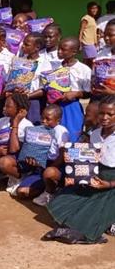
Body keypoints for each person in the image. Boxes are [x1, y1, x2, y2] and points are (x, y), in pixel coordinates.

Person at [45, 95, 115, 244]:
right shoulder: (95, 134)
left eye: (110, 114)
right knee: (63, 201)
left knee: (94, 206)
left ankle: (86, 231)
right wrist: (79, 173)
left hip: (111, 184)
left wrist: (109, 184)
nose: (105, 117)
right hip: (96, 178)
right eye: (101, 113)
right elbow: (90, 160)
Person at [0, 104, 68, 199]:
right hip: (39, 167)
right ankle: (38, 184)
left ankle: (51, 191)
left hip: (53, 166)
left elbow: (63, 155)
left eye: (48, 119)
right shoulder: (38, 129)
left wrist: (48, 168)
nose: (44, 121)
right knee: (22, 192)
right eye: (42, 117)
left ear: (58, 120)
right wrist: (32, 160)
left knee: (49, 173)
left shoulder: (60, 130)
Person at [56, 37, 92, 142]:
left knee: (71, 136)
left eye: (63, 49)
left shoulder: (83, 70)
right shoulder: (54, 66)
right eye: (59, 48)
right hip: (54, 105)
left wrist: (76, 94)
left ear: (74, 52)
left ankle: (70, 157)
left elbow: (89, 92)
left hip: (72, 106)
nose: (59, 51)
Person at [21, 32, 51, 125]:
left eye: (27, 44)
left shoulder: (45, 64)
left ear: (37, 47)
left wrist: (28, 95)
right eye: (23, 43)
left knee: (32, 126)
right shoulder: (19, 61)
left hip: (34, 102)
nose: (23, 46)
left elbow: (45, 88)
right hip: (19, 100)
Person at [79, 1, 101, 66]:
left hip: (92, 43)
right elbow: (81, 31)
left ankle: (85, 74)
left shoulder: (93, 18)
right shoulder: (86, 18)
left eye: (96, 8)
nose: (95, 10)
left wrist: (96, 41)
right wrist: (80, 43)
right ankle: (92, 74)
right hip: (87, 42)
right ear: (88, 9)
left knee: (87, 60)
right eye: (93, 8)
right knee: (93, 60)